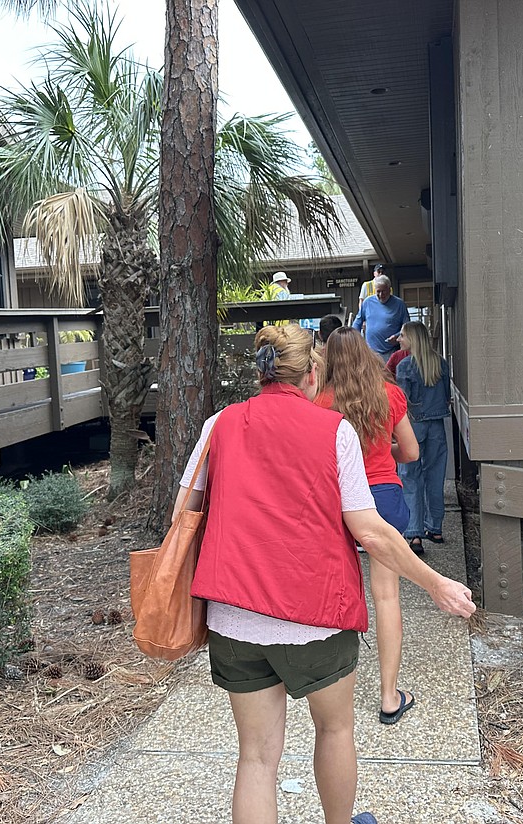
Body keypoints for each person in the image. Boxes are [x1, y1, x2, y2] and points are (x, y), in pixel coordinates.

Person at [173, 323, 475, 824]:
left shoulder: (218, 425)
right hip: (317, 614)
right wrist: (435, 582)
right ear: (313, 372)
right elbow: (371, 532)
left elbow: (185, 512)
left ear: (262, 371)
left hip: (233, 615)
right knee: (334, 732)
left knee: (255, 758)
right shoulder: (334, 431)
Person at [316, 326, 421, 728]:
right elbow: (409, 451)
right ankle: (390, 696)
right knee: (387, 598)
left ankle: (327, 692)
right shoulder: (389, 395)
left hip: (337, 503)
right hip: (383, 497)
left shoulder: (320, 400)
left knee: (334, 593)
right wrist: (382, 448)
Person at [396, 321, 452, 554]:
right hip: (437, 426)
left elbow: (402, 402)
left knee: (410, 477)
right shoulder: (440, 362)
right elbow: (447, 395)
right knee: (435, 476)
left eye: (402, 335)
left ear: (412, 339)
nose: (399, 339)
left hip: (414, 426)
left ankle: (415, 533)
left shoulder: (405, 366)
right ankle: (435, 528)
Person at [352, 274, 410, 358]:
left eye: (384, 291)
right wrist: (354, 338)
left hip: (392, 351)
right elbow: (358, 322)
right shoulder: (368, 302)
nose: (381, 294)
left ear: (389, 290)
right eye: (378, 291)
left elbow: (407, 326)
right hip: (371, 351)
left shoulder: (399, 304)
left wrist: (397, 336)